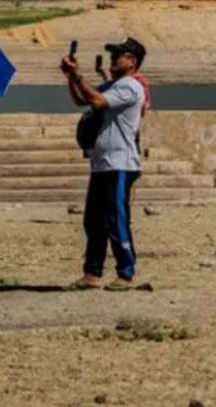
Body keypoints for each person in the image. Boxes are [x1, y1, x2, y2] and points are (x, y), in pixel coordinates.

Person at [61, 37, 147, 290]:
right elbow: (82, 99)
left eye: (118, 55)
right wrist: (70, 76)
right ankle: (92, 272)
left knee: (115, 220)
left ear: (132, 61)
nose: (112, 59)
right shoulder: (113, 85)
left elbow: (97, 101)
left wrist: (77, 75)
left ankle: (126, 272)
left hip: (120, 163)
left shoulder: (130, 87)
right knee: (93, 221)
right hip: (102, 164)